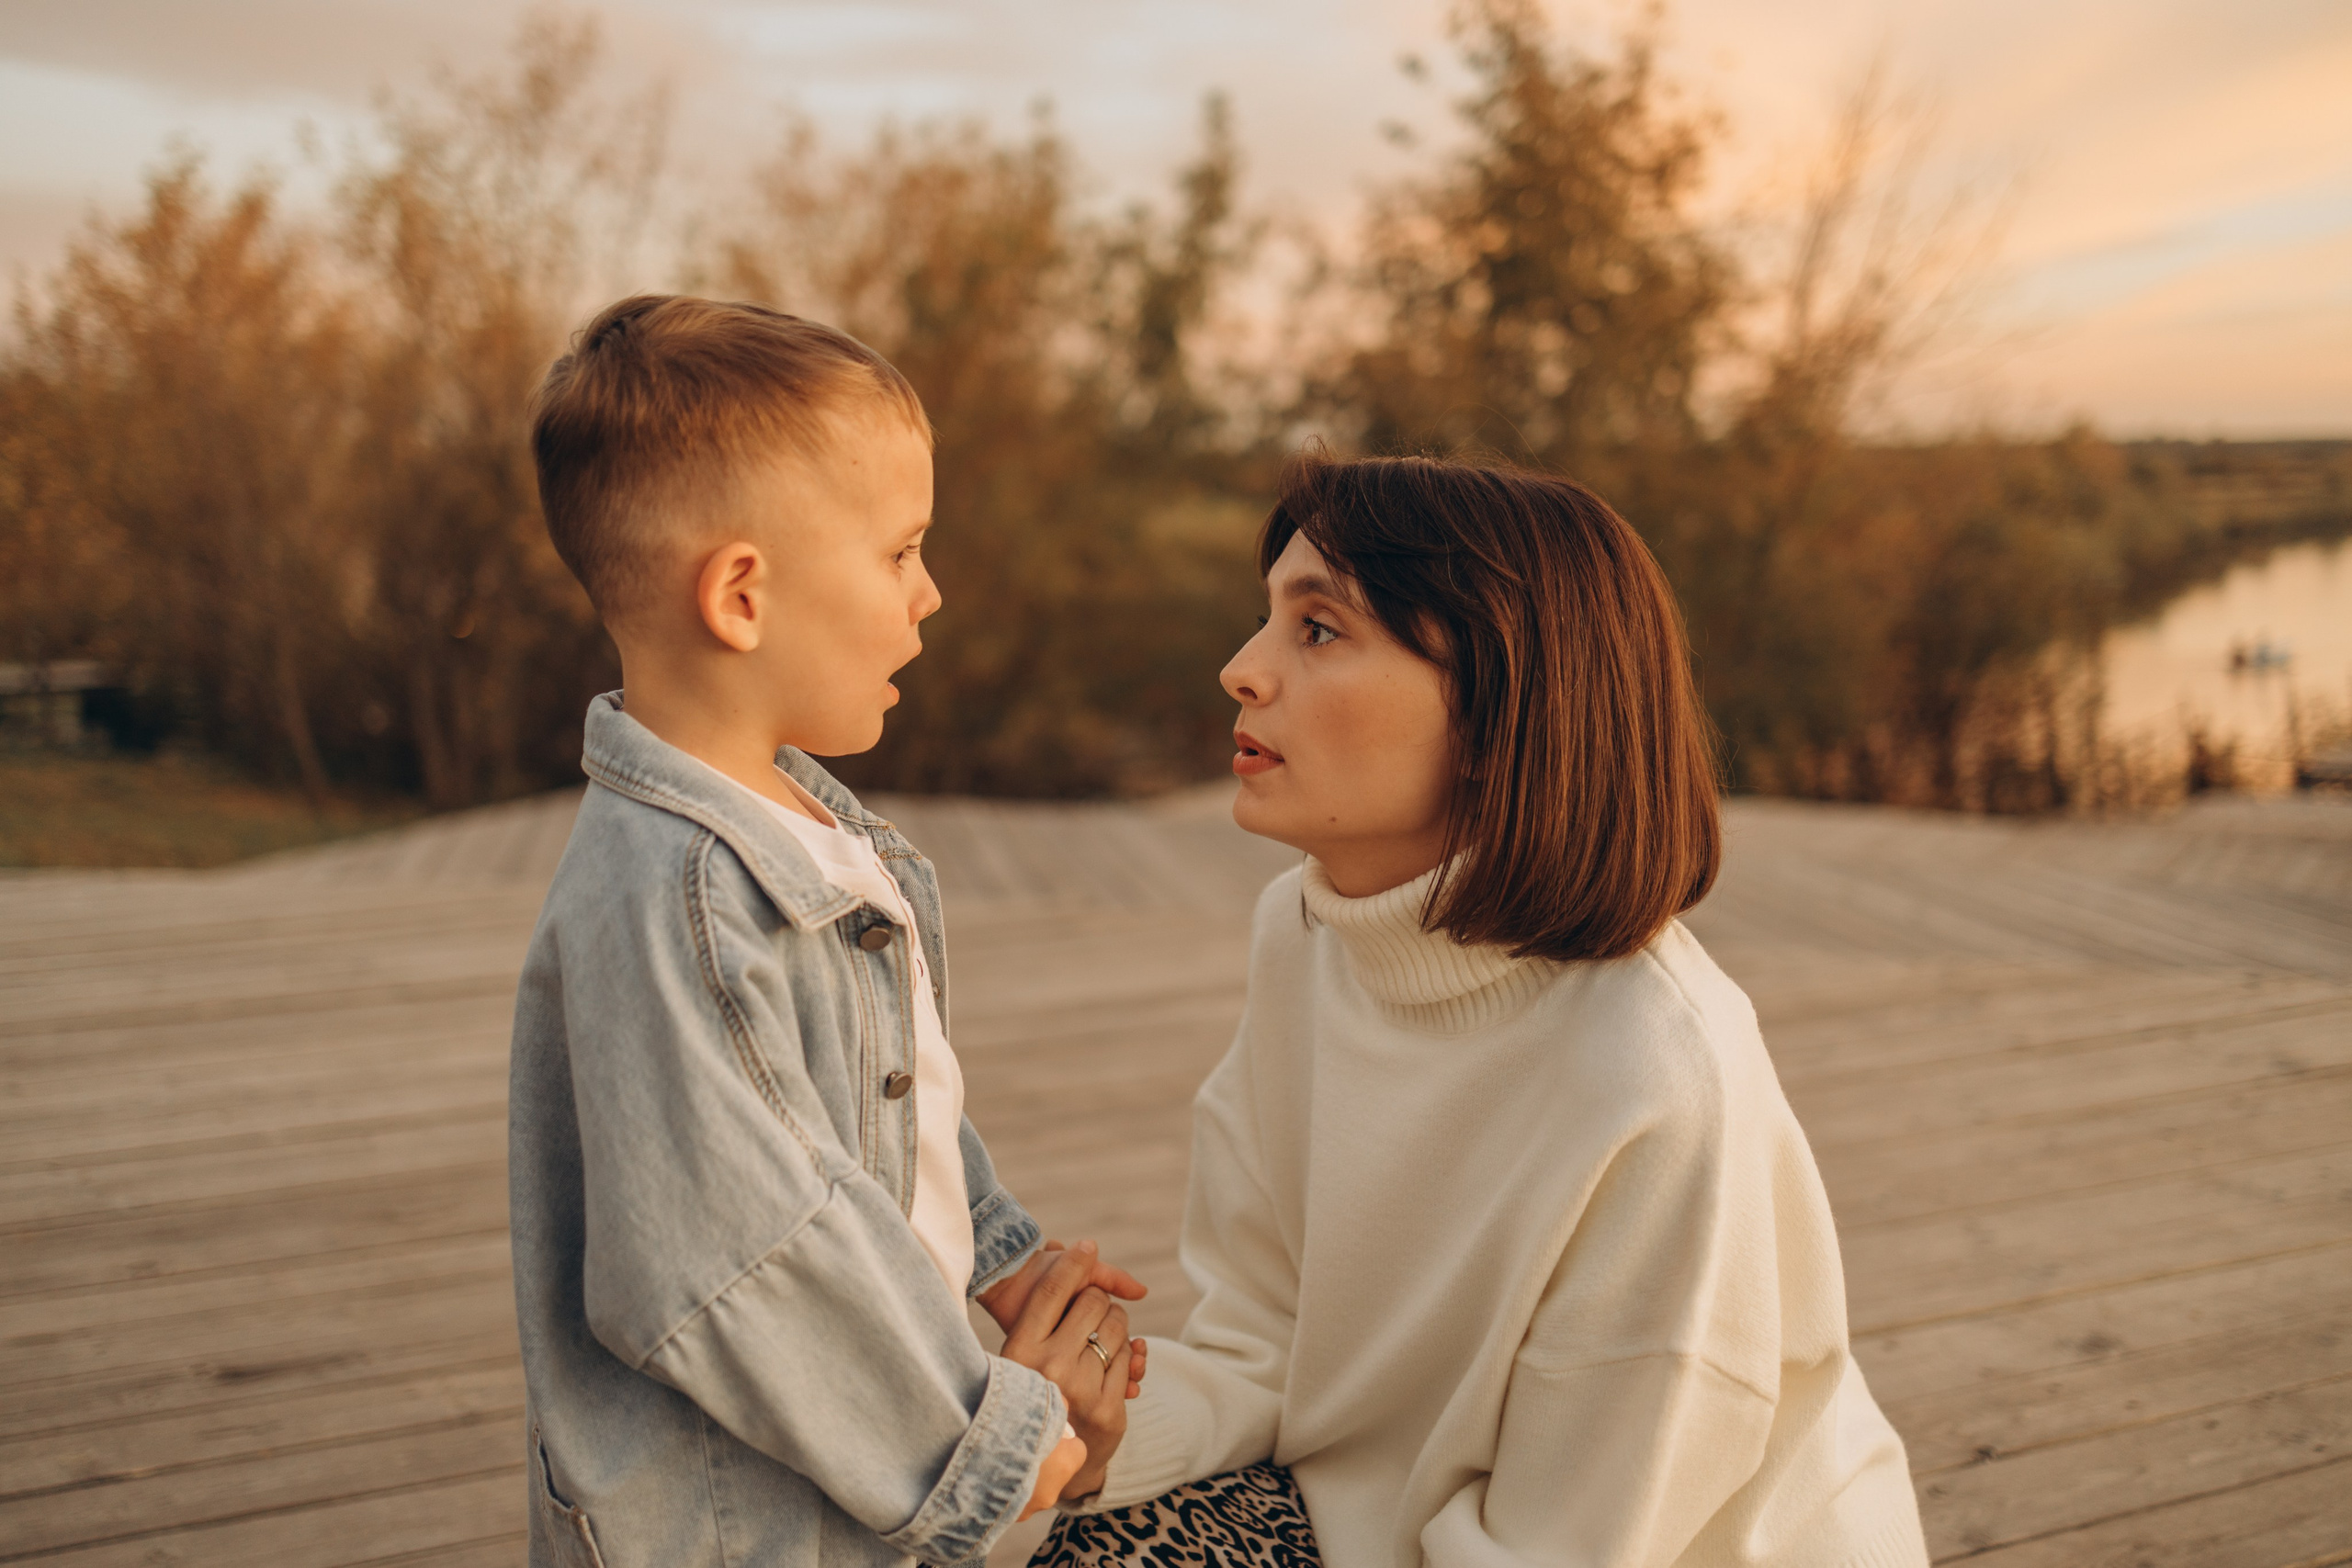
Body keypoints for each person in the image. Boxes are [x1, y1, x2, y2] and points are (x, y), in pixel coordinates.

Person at [1035, 452, 1928, 1568]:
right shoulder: (1302, 938)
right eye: (1266, 620)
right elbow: (1263, 1334)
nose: (1240, 671)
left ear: (1502, 711)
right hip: (1362, 1512)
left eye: (1318, 630)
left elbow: (1576, 1539)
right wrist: (1094, 1441)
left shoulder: (1653, 1077)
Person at [508, 294, 1150, 1568]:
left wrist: (1002, 1257)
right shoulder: (676, 900)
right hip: (739, 1524)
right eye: (899, 550)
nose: (933, 591)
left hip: (831, 1495)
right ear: (743, 594)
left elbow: (871, 1100)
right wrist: (992, 1441)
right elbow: (736, 1250)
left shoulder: (797, 827)